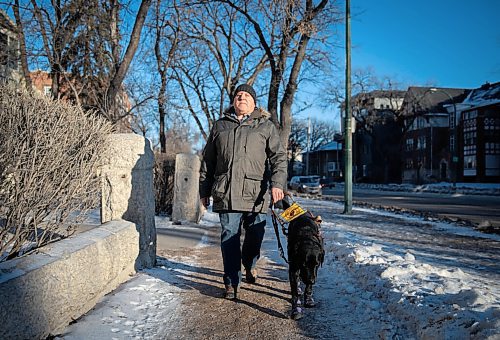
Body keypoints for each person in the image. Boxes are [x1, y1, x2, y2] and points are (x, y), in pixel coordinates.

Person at [199, 83, 287, 300]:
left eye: (247, 95)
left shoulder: (266, 126)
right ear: (233, 101)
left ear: (254, 102)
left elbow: (278, 158)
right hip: (226, 192)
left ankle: (249, 264)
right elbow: (208, 161)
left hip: (256, 192)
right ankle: (231, 282)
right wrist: (204, 189)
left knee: (255, 235)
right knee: (229, 236)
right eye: (238, 95)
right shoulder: (220, 126)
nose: (242, 98)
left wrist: (277, 184)